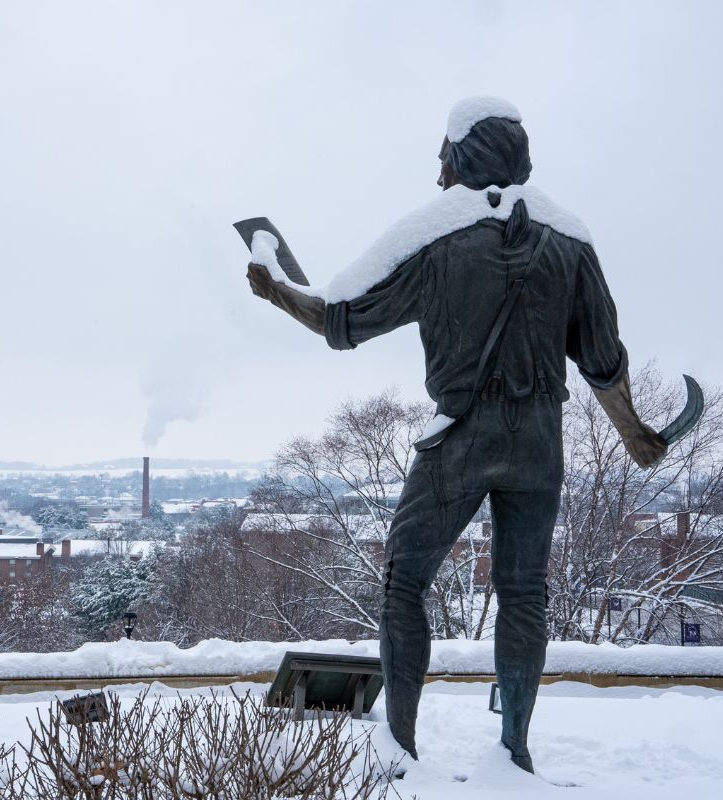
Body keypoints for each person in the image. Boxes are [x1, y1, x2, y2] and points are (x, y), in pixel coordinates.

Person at [245, 96, 666, 773]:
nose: (437, 168)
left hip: (461, 438)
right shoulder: (570, 242)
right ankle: (516, 750)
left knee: (403, 583)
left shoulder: (436, 238)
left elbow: (341, 323)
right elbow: (602, 359)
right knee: (525, 593)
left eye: (444, 155)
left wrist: (275, 290)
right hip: (539, 442)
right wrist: (635, 433)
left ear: (464, 158)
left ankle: (401, 745)